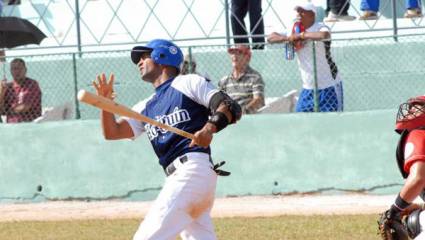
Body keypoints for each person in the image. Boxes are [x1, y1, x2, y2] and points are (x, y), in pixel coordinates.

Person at [92, 39, 241, 240]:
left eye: (144, 56)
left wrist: (209, 128)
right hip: (183, 178)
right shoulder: (146, 106)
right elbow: (113, 132)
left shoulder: (188, 82)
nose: (139, 62)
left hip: (192, 171)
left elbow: (228, 106)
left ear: (161, 56)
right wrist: (106, 105)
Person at [267, 2, 343, 112]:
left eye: (302, 11)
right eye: (297, 10)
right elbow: (270, 37)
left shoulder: (320, 26)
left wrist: (301, 36)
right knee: (301, 121)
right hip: (308, 88)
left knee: (331, 123)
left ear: (312, 14)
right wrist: (288, 38)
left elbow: (324, 35)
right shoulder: (293, 29)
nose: (298, 13)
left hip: (329, 86)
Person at [377, 96, 425, 240]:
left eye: (418, 107)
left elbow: (418, 178)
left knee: (416, 222)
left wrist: (395, 210)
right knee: (416, 219)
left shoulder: (419, 133)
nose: (410, 110)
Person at [218, 44, 265, 114]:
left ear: (248, 57)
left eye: (239, 53)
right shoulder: (224, 80)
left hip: (249, 120)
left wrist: (241, 112)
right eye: (232, 53)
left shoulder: (255, 77)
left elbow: (258, 100)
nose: (234, 56)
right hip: (230, 120)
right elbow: (220, 101)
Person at [0, 58, 42, 123]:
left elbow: (25, 107)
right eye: (14, 69)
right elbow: (2, 111)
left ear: (25, 70)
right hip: (12, 127)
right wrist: (2, 91)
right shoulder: (8, 87)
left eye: (19, 68)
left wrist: (8, 111)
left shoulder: (32, 84)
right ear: (10, 71)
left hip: (30, 124)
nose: (17, 71)